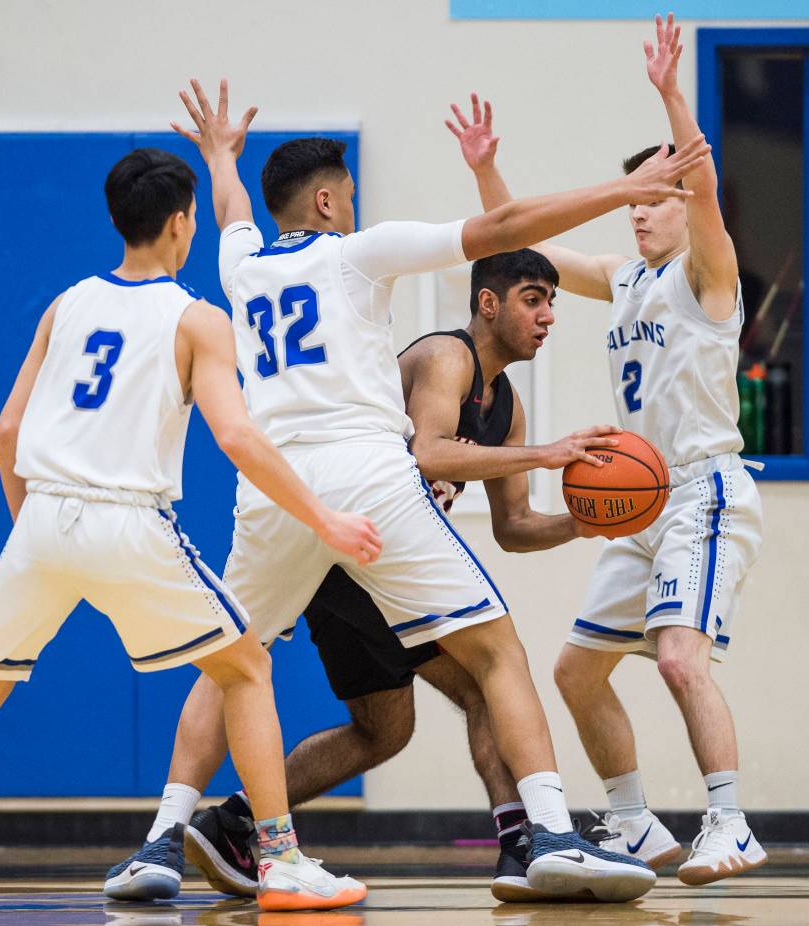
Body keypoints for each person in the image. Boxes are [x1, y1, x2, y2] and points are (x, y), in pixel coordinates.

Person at [105, 78, 708, 904]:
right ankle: (552, 835)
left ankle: (158, 845)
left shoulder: (239, 261)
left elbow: (230, 210)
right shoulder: (356, 252)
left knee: (232, 664)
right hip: (364, 477)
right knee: (496, 652)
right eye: (346, 197)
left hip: (275, 491)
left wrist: (218, 156)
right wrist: (621, 190)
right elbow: (501, 230)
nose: (352, 208)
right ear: (326, 200)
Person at [0, 147, 382, 916]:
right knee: (244, 668)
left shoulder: (68, 302)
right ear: (183, 224)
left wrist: (39, 546)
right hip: (128, 521)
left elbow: (8, 432)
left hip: (42, 519)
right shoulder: (197, 318)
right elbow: (239, 439)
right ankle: (280, 860)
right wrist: (327, 519)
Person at [177, 248, 618, 905]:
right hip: (354, 553)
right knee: (484, 678)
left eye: (553, 301)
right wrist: (551, 454)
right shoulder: (447, 357)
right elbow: (430, 450)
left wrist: (584, 524)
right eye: (534, 298)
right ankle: (525, 841)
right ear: (489, 304)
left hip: (361, 568)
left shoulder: (507, 407)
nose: (548, 314)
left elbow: (514, 526)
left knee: (383, 731)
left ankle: (232, 820)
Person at [459, 15, 766, 886]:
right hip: (644, 502)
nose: (637, 212)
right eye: (630, 200)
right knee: (576, 672)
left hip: (705, 491)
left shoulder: (709, 274)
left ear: (684, 204)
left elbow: (701, 183)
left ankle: (729, 821)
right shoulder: (624, 278)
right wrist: (488, 168)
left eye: (653, 198)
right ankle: (634, 825)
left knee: (676, 657)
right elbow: (528, 247)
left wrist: (671, 97)